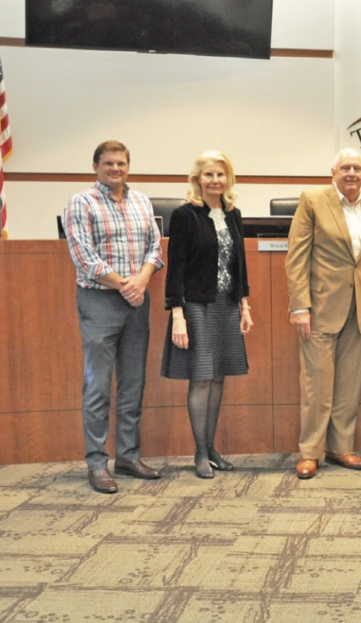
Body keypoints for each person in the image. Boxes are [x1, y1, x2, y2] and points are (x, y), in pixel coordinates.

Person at [63, 140, 164, 493]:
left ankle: (127, 456)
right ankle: (96, 463)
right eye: (108, 163)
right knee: (98, 385)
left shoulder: (141, 201)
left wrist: (142, 280)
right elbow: (84, 258)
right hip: (100, 302)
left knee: (133, 383)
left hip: (137, 301)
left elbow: (155, 247)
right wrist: (126, 284)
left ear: (128, 166)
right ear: (96, 166)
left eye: (121, 163)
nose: (115, 169)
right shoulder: (81, 202)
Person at [286, 148, 361, 480]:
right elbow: (297, 256)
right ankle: (310, 452)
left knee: (349, 383)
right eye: (345, 168)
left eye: (357, 169)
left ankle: (340, 447)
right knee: (317, 383)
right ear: (332, 172)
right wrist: (299, 306)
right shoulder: (313, 200)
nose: (351, 173)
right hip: (319, 308)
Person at [161, 151, 252, 479]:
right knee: (201, 377)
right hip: (196, 305)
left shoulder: (233, 214)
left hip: (227, 305)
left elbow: (239, 263)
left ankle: (212, 448)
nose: (215, 180)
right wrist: (178, 314)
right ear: (197, 179)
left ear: (228, 179)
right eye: (209, 175)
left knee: (218, 377)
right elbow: (176, 268)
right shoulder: (185, 215)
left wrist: (244, 304)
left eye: (221, 175)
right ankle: (200, 452)